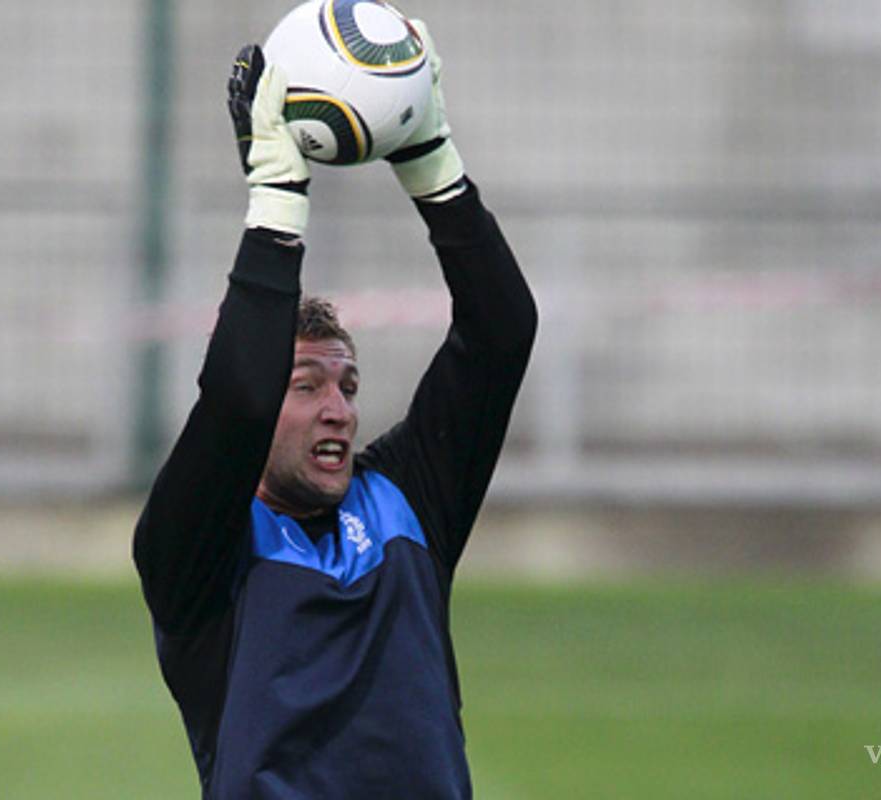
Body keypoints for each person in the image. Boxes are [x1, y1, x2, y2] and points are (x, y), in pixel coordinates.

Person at [132, 23, 536, 799]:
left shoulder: (407, 503)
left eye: (347, 387)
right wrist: (276, 200)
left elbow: (501, 333)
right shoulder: (198, 550)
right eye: (307, 386)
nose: (338, 411)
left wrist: (432, 162)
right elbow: (240, 397)